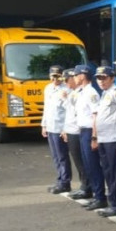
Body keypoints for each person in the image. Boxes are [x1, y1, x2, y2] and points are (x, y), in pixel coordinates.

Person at [92, 66, 116, 217]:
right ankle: (113, 202)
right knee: (108, 172)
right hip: (104, 138)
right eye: (98, 78)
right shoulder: (104, 93)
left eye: (104, 77)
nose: (101, 81)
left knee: (115, 173)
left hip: (113, 138)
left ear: (112, 78)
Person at [74, 65, 108, 210]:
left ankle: (100, 197)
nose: (74, 77)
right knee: (88, 165)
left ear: (82, 75)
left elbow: (95, 115)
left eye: (76, 75)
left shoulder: (91, 92)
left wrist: (94, 136)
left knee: (94, 165)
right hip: (82, 131)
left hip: (89, 131)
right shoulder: (81, 92)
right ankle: (96, 195)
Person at [61, 68, 91, 200]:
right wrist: (65, 129)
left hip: (78, 130)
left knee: (83, 161)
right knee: (78, 161)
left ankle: (87, 187)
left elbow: (80, 114)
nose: (66, 83)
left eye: (68, 80)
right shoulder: (74, 93)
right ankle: (84, 185)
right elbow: (68, 114)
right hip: (72, 129)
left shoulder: (81, 93)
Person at [42, 64, 72, 194]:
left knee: (62, 156)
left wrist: (65, 129)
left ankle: (65, 182)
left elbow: (69, 111)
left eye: (58, 76)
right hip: (51, 127)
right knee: (55, 156)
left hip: (60, 128)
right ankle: (60, 179)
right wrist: (44, 125)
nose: (55, 79)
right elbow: (46, 108)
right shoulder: (48, 89)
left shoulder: (66, 90)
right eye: (53, 76)